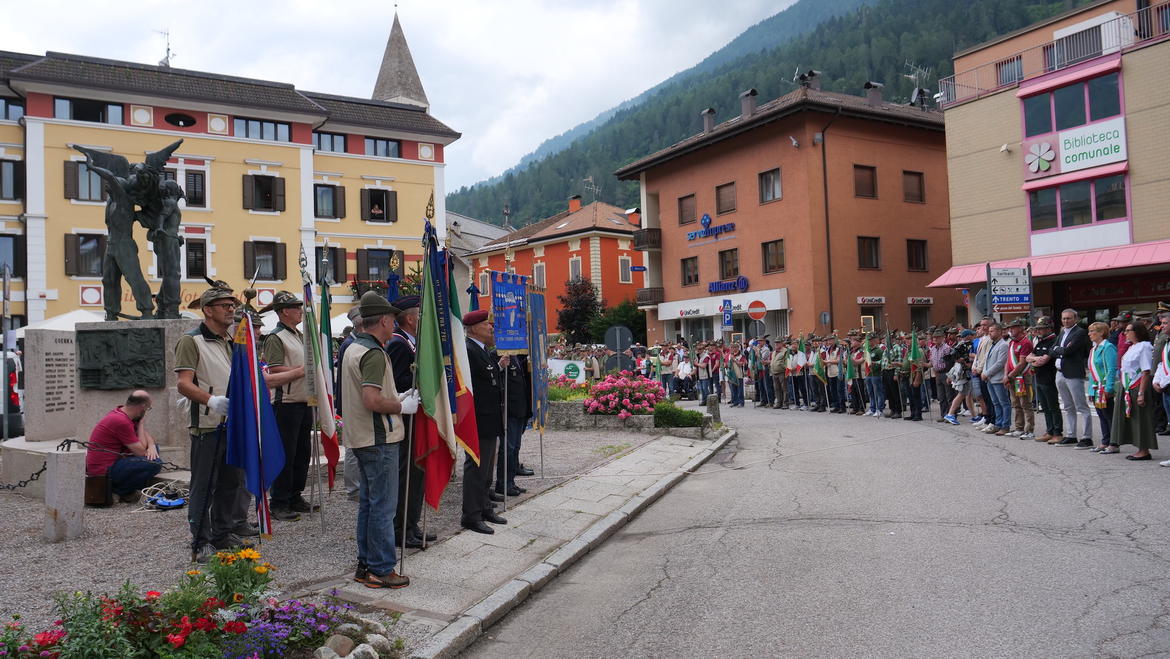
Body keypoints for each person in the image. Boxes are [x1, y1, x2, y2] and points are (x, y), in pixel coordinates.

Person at [341, 292, 417, 588]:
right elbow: (371, 400)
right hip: (379, 437)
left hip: (363, 436)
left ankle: (366, 565)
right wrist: (401, 406)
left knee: (370, 506)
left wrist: (397, 396)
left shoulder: (355, 348)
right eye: (392, 320)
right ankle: (382, 569)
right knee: (384, 507)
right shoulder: (373, 352)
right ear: (384, 320)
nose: (393, 325)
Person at [175, 288, 254, 562]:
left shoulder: (230, 340)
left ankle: (222, 533)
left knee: (231, 482)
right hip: (208, 424)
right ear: (208, 310)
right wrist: (211, 400)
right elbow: (183, 383)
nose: (231, 309)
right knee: (204, 485)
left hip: (233, 423)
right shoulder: (191, 341)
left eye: (232, 305)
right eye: (224, 305)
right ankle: (200, 541)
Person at [384, 295, 433, 549]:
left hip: (417, 417)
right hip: (406, 418)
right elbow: (395, 382)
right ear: (411, 319)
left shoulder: (412, 343)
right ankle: (402, 528)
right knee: (408, 475)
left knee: (417, 473)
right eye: (421, 315)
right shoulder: (399, 344)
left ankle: (412, 524)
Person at [259, 291, 312, 521]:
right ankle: (279, 501)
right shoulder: (276, 337)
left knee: (302, 453)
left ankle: (295, 495)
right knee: (286, 454)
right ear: (283, 312)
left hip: (303, 399)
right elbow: (274, 369)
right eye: (295, 307)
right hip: (286, 402)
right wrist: (302, 370)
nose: (300, 310)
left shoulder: (298, 335)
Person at [462, 309, 510, 534]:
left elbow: (489, 378)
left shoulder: (483, 350)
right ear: (473, 329)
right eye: (486, 324)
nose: (491, 327)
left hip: (490, 418)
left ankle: (485, 507)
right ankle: (471, 515)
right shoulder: (468, 350)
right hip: (478, 419)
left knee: (487, 469)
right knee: (476, 469)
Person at [85, 390, 162, 502]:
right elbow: (140, 452)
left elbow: (146, 437)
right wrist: (141, 424)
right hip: (105, 472)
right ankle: (118, 491)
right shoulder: (121, 421)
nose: (146, 411)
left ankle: (127, 490)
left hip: (115, 463)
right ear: (143, 406)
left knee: (154, 451)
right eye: (148, 408)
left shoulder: (121, 413)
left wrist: (151, 445)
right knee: (155, 464)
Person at [1113, 321, 1156, 460]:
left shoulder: (1144, 347)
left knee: (1141, 419)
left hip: (1137, 386)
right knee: (1133, 418)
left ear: (1137, 332)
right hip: (1128, 386)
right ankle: (1139, 447)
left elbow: (1145, 371)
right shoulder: (1132, 347)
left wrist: (1141, 393)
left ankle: (1144, 450)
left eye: (1128, 330)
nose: (1125, 333)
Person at [1050, 308, 1092, 447]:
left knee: (1081, 406)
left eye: (1069, 318)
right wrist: (1058, 350)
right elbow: (1052, 349)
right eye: (1063, 318)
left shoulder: (1079, 332)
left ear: (1076, 319)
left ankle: (1087, 437)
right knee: (1068, 406)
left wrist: (1058, 350)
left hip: (1073, 373)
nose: (1066, 321)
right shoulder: (1062, 332)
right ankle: (1071, 435)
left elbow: (1068, 351)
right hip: (1060, 372)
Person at [334, 306, 364, 501]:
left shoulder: (354, 342)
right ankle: (353, 489)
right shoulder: (349, 344)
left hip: (353, 401)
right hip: (351, 401)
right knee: (353, 448)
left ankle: (356, 486)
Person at [497, 353, 532, 498]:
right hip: (509, 410)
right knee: (508, 448)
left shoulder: (517, 357)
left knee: (515, 446)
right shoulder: (498, 355)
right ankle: (503, 483)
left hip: (520, 409)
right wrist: (500, 365)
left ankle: (510, 481)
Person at [1026, 317, 1063, 444]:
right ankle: (1050, 431)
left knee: (1053, 406)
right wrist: (1035, 359)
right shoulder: (1040, 341)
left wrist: (1035, 359)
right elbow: (1028, 357)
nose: (1039, 331)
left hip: (1049, 377)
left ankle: (1058, 433)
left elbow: (1043, 360)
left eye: (1041, 328)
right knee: (1045, 407)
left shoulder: (1053, 340)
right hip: (1039, 377)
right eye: (1038, 329)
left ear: (1048, 328)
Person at [1086, 321, 1118, 453]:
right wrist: (1090, 391)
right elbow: (1091, 372)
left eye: (1092, 331)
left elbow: (1111, 369)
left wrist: (1109, 388)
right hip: (1096, 388)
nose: (1089, 334)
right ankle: (1105, 441)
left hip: (1104, 386)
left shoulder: (1108, 347)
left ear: (1101, 333)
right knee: (1101, 414)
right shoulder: (1094, 349)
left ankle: (1114, 443)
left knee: (1109, 414)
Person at [1003, 320, 1036, 440]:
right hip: (1012, 376)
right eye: (1009, 328)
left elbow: (1022, 363)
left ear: (1021, 328)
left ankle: (1029, 430)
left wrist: (1010, 376)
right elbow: (1008, 360)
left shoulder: (1026, 342)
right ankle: (1018, 428)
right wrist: (1005, 375)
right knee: (1015, 403)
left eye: (1013, 328)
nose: (1010, 330)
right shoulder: (1012, 342)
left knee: (1025, 403)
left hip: (1021, 376)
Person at [981, 323, 1010, 436]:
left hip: (997, 378)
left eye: (992, 331)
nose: (990, 333)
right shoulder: (993, 344)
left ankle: (1005, 425)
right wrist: (984, 372)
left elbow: (1000, 363)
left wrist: (987, 373)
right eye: (989, 331)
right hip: (990, 379)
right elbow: (987, 360)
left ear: (999, 331)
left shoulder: (1003, 345)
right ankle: (998, 424)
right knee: (995, 403)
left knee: (1004, 403)